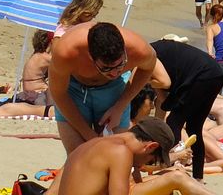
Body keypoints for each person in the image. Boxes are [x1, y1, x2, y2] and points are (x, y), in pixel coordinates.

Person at [49, 21, 158, 155]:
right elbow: (58, 93)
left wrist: (120, 106)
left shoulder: (139, 49)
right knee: (78, 155)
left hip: (114, 89)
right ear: (90, 56)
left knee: (114, 153)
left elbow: (148, 68)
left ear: (124, 52)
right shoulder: (66, 51)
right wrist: (89, 135)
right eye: (106, 68)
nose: (113, 73)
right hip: (74, 90)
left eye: (120, 66)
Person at [45, 117, 212, 195]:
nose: (146, 166)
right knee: (177, 178)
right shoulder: (121, 151)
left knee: (173, 176)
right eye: (152, 160)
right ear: (151, 146)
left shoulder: (93, 145)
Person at [150, 37, 223, 181]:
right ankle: (198, 177)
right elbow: (163, 99)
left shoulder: (148, 57)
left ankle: (170, 168)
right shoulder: (162, 54)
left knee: (174, 121)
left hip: (202, 75)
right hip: (215, 73)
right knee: (194, 129)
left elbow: (163, 84)